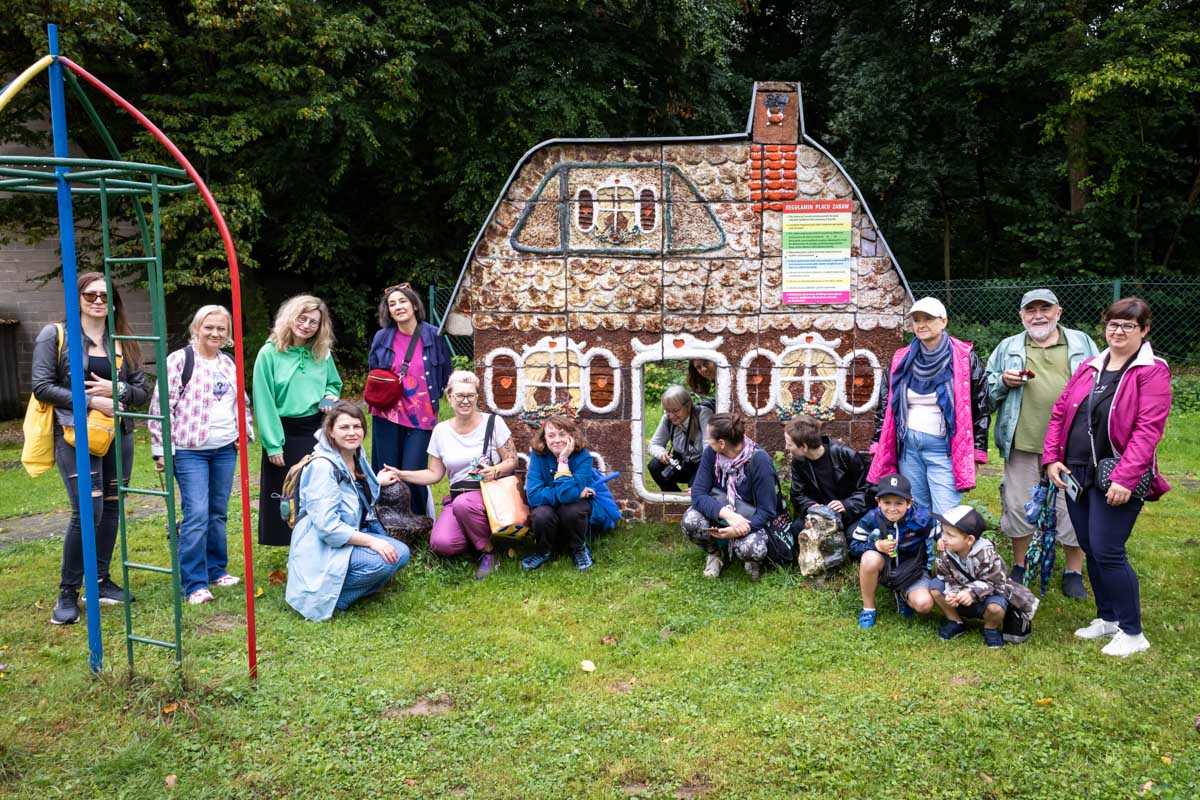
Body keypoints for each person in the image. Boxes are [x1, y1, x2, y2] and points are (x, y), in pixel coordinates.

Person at [1044, 297, 1171, 657]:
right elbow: (1060, 412)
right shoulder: (1090, 366)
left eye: (1128, 325)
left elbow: (1148, 429)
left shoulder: (1152, 371)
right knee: (1090, 547)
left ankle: (1133, 632)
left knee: (1108, 550)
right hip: (1077, 471)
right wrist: (1052, 458)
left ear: (1144, 330)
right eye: (1113, 324)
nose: (1118, 331)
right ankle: (1108, 618)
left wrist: (1126, 478)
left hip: (1116, 474)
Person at [32, 272, 148, 624]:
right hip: (74, 432)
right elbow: (41, 386)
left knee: (111, 506)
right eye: (91, 295)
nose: (99, 301)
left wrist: (118, 391)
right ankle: (68, 592)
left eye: (105, 296)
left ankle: (100, 581)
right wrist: (92, 402)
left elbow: (141, 392)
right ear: (77, 298)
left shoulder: (124, 340)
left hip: (119, 433)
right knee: (87, 510)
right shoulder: (56, 335)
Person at [986, 289, 1098, 599]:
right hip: (1023, 440)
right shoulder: (1008, 347)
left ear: (1058, 312)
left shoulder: (1081, 343)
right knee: (1018, 504)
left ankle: (1073, 570)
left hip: (1071, 444)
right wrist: (1002, 382)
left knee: (1072, 506)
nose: (1038, 316)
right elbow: (983, 391)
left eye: (1044, 309)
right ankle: (1020, 565)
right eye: (1030, 310)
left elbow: (1101, 384)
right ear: (1021, 315)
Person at [148, 306, 255, 605]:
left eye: (221, 328)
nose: (215, 333)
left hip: (224, 450)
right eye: (209, 327)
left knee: (217, 513)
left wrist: (242, 432)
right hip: (189, 451)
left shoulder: (228, 363)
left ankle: (215, 569)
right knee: (196, 514)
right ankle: (194, 583)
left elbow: (241, 402)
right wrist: (161, 450)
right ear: (196, 328)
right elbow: (160, 407)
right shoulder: (180, 360)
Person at [286, 402, 411, 621]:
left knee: (400, 553)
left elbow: (357, 489)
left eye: (357, 426)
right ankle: (328, 597)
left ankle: (345, 588)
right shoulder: (322, 467)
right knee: (381, 562)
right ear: (331, 432)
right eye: (344, 427)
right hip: (322, 544)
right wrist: (372, 542)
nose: (352, 432)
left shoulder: (355, 455)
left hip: (347, 535)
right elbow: (328, 528)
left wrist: (377, 481)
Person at [868, 297, 989, 514]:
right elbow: (886, 404)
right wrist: (878, 442)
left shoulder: (963, 357)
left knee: (946, 514)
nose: (921, 324)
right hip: (908, 448)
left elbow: (980, 404)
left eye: (928, 318)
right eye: (916, 320)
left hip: (944, 449)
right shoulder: (901, 359)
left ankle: (944, 539)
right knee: (917, 512)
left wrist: (977, 451)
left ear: (943, 321)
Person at [394, 371, 518, 579]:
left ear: (477, 397)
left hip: (489, 495)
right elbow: (434, 474)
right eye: (460, 395)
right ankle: (477, 535)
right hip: (458, 498)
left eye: (471, 395)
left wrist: (495, 470)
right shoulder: (441, 431)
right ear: (449, 398)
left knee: (464, 504)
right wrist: (401, 474)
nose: (465, 400)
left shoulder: (493, 423)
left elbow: (512, 460)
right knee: (441, 543)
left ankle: (489, 552)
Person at [253, 295, 342, 547]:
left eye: (313, 322)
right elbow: (264, 401)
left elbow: (333, 383)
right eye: (302, 318)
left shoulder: (321, 352)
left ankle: (318, 540)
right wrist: (273, 445)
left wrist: (329, 396)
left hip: (316, 430)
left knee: (317, 488)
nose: (306, 325)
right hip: (284, 431)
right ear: (290, 317)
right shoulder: (269, 353)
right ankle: (290, 544)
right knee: (286, 491)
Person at [366, 283, 452, 518]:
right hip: (387, 414)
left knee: (413, 471)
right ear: (388, 311)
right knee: (387, 471)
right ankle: (386, 521)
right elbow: (375, 371)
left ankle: (419, 522)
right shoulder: (382, 337)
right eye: (392, 304)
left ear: (414, 305)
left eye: (402, 301)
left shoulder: (433, 335)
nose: (398, 307)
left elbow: (445, 372)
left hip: (422, 416)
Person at [681, 413, 790, 582]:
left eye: (709, 438)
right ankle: (715, 554)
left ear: (722, 443)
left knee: (751, 547)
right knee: (690, 520)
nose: (707, 441)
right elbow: (698, 493)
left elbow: (767, 511)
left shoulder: (759, 460)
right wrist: (727, 515)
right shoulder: (712, 453)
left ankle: (751, 560)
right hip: (724, 511)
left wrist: (740, 528)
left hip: (752, 520)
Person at [930, 505, 1039, 648]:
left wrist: (971, 592)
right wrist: (952, 593)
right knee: (935, 586)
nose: (943, 538)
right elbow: (945, 576)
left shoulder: (988, 555)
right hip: (960, 597)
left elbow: (995, 583)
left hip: (986, 598)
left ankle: (991, 628)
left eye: (950, 535)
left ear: (970, 539)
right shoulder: (946, 551)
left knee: (996, 606)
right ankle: (955, 621)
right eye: (943, 532)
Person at [522, 415, 620, 571]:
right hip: (548, 507)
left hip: (572, 507)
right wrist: (574, 493)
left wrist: (563, 460)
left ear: (571, 436)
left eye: (562, 434)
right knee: (541, 514)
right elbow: (534, 496)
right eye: (551, 435)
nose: (557, 440)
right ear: (544, 438)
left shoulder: (583, 457)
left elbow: (568, 496)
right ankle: (543, 551)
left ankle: (578, 548)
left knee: (572, 509)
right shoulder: (538, 455)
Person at [850, 474, 939, 629]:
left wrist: (943, 540)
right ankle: (868, 609)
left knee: (924, 604)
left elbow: (944, 535)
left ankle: (903, 594)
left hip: (913, 571)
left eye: (899, 503)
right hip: (884, 569)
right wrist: (877, 546)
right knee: (870, 558)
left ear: (909, 503)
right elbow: (854, 547)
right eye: (887, 502)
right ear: (878, 501)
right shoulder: (871, 517)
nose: (892, 508)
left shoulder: (921, 517)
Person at [785, 414, 870, 532]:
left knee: (853, 534)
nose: (786, 447)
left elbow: (868, 490)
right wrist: (810, 506)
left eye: (789, 444)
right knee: (796, 528)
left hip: (850, 516)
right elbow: (797, 495)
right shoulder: (799, 462)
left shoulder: (845, 455)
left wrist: (846, 505)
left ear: (804, 447)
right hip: (818, 516)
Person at [646, 384, 713, 492]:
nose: (671, 416)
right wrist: (661, 454)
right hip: (682, 462)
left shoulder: (703, 414)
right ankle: (673, 496)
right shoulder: (667, 419)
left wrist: (700, 483)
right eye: (667, 410)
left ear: (688, 406)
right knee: (655, 466)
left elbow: (709, 450)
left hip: (702, 464)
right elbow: (653, 445)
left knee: (695, 489)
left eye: (675, 410)